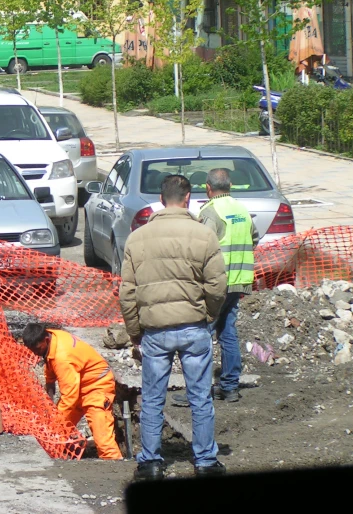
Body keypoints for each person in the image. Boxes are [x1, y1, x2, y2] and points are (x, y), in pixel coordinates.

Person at [119, 175, 227, 481]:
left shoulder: (137, 239)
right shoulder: (203, 235)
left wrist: (134, 331)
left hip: (155, 331)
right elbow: (218, 285)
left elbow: (127, 292)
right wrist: (208, 314)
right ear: (188, 197)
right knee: (200, 396)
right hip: (194, 327)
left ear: (161, 198)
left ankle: (151, 463)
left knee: (153, 397)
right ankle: (205, 460)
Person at [172, 168, 259, 407]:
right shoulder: (241, 209)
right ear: (229, 186)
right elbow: (254, 238)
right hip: (239, 281)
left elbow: (201, 246)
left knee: (203, 335)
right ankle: (230, 387)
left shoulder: (210, 211)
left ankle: (198, 391)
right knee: (228, 333)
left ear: (208, 188)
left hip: (216, 284)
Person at [23, 323, 123, 460]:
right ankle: (64, 450)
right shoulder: (53, 337)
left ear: (45, 340)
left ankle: (115, 466)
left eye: (36, 349)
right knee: (60, 427)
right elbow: (51, 377)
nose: (34, 353)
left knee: (103, 439)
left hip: (97, 387)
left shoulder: (63, 357)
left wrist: (55, 422)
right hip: (80, 385)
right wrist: (50, 410)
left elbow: (70, 396)